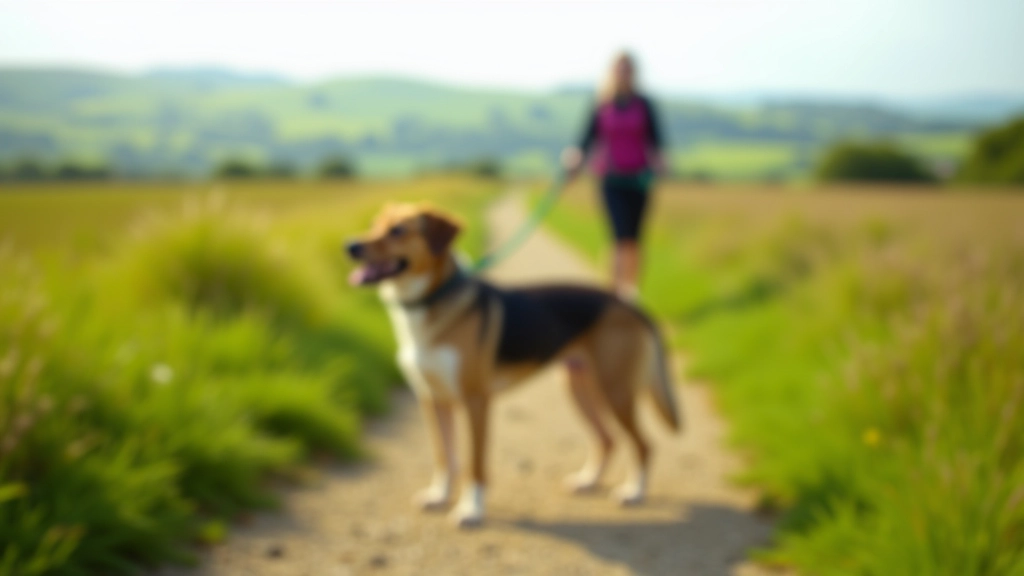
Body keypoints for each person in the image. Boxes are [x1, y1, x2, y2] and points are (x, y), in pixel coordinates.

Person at [562, 51, 666, 301]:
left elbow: (656, 139)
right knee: (619, 237)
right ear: (612, 72)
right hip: (611, 179)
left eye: (627, 69)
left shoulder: (645, 104)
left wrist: (661, 162)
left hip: (640, 180)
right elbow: (586, 138)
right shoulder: (601, 104)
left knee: (634, 239)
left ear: (634, 72)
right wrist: (575, 157)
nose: (623, 73)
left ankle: (631, 292)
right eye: (620, 69)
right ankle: (614, 293)